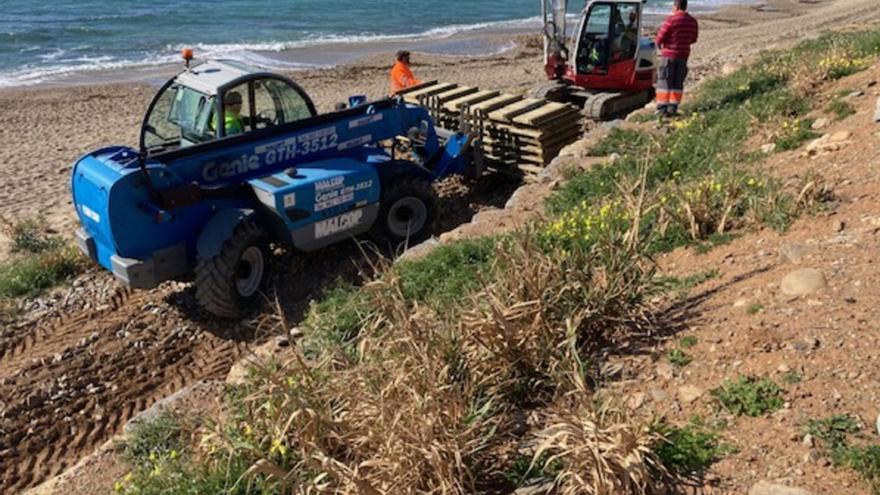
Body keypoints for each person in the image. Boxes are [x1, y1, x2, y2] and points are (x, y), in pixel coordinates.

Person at [655, 0, 699, 117]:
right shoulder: (692, 21)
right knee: (677, 82)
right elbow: (694, 39)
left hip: (669, 55)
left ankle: (662, 109)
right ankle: (673, 107)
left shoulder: (671, 20)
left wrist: (661, 45)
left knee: (664, 81)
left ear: (676, 6)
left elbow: (660, 37)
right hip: (683, 55)